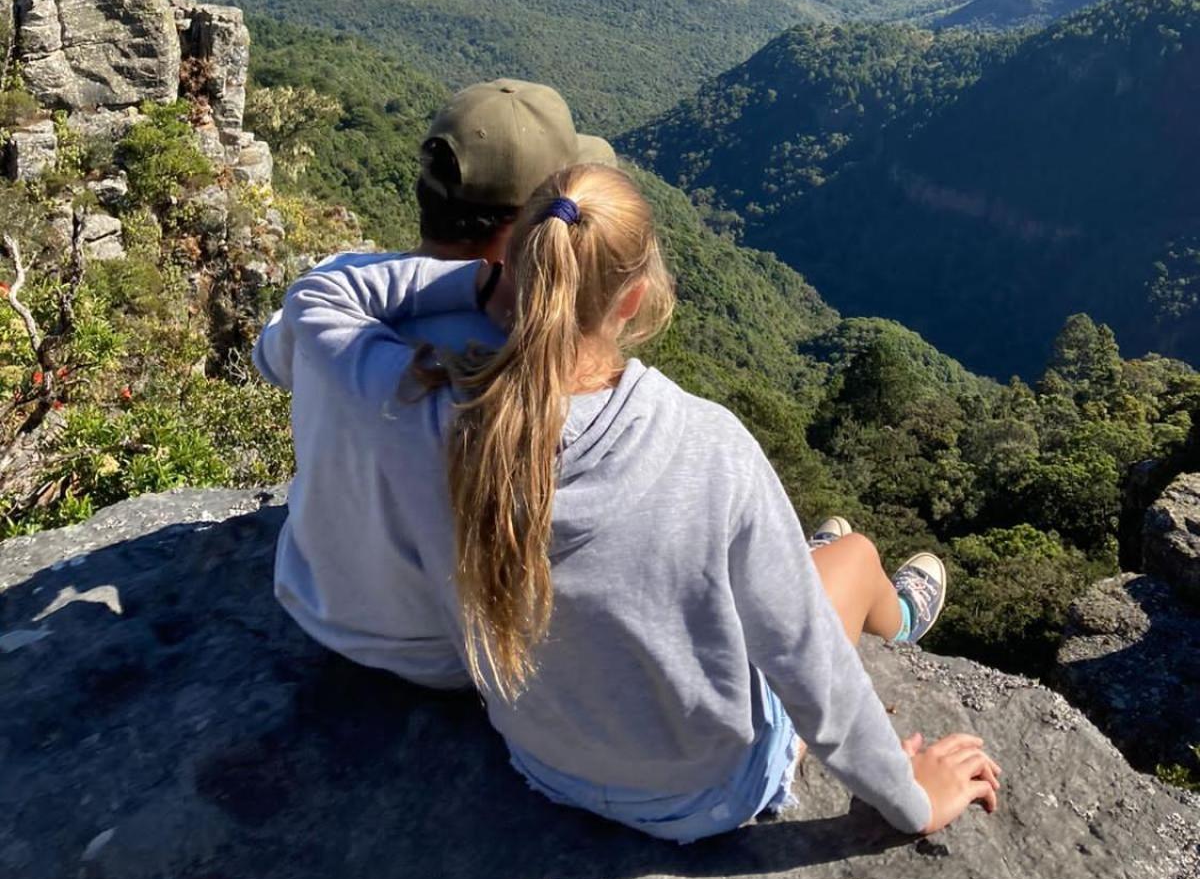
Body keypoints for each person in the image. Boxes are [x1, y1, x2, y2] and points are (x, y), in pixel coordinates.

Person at [268, 161, 1000, 841]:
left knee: (802, 563)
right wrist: (911, 796)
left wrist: (477, 288)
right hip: (709, 789)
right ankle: (897, 619)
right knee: (855, 556)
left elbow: (321, 293)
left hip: (542, 762)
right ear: (634, 299)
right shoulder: (707, 447)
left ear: (511, 271)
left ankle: (813, 563)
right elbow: (810, 669)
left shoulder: (408, 410)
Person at [253, 77, 613, 686]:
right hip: (459, 654)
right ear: (536, 229)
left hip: (314, 599)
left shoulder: (337, 293)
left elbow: (272, 362)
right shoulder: (542, 359)